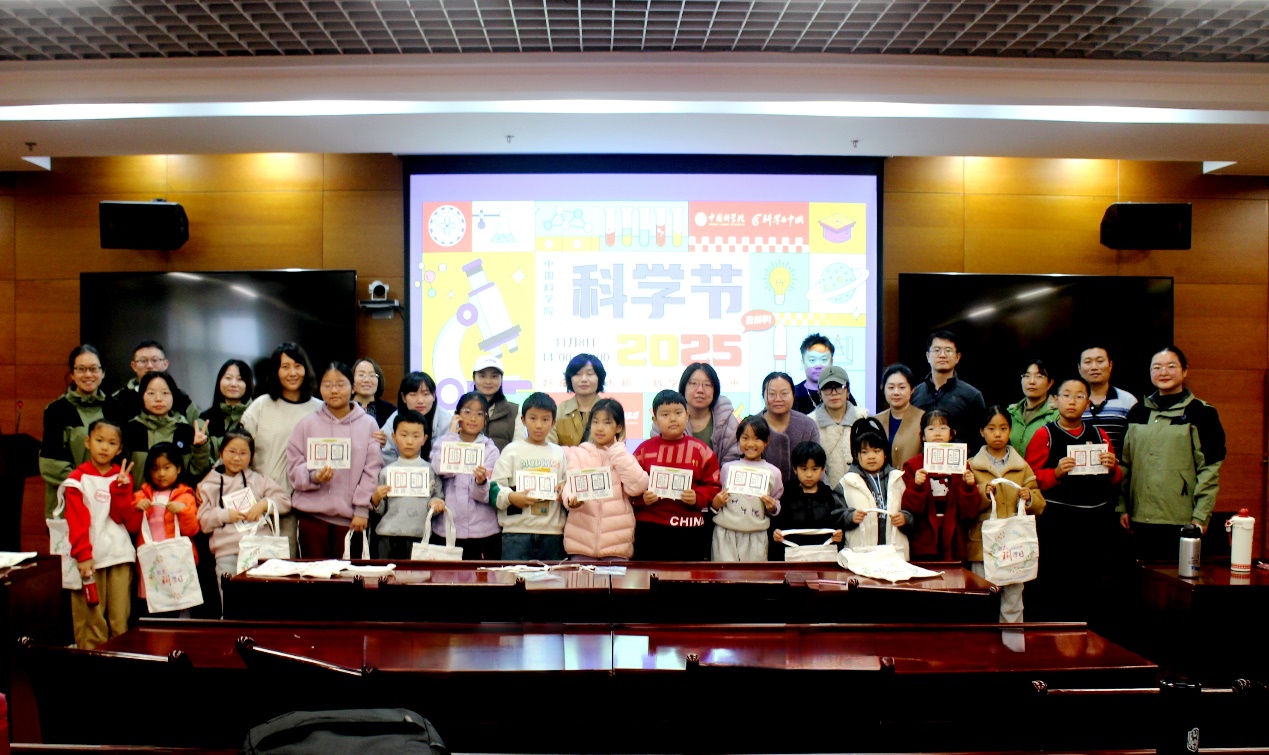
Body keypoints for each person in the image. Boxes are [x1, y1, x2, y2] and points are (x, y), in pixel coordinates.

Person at [1025, 377, 1124, 620]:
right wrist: (1056, 473)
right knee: (1057, 580)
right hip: (1058, 521)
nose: (1072, 401)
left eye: (1080, 396)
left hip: (1095, 520)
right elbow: (1030, 478)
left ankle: (1090, 630)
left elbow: (1116, 478)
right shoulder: (1045, 434)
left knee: (1091, 581)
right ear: (1055, 400)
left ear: (1088, 403)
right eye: (1067, 395)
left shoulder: (1099, 434)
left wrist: (1113, 468)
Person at [1119, 346, 1225, 562]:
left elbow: (1210, 469)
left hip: (1181, 519)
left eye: (1171, 366)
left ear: (1184, 371)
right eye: (1157, 367)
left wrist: (1201, 516)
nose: (1163, 372)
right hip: (1140, 518)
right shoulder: (1138, 413)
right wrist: (1122, 507)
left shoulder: (1201, 413)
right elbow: (1125, 465)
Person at [285, 362, 383, 559]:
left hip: (352, 520)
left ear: (353, 387)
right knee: (313, 575)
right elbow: (293, 467)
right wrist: (314, 476)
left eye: (340, 384)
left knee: (349, 576)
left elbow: (372, 470)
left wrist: (362, 509)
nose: (334, 390)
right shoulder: (307, 424)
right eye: (327, 385)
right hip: (312, 519)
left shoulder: (368, 424)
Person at [56, 419, 136, 650]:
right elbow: (76, 521)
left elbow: (125, 520)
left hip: (119, 554)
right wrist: (83, 555)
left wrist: (122, 489)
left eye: (111, 443)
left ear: (119, 449)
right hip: (89, 557)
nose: (104, 447)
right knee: (91, 617)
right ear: (87, 442)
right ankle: (91, 663)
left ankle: (120, 658)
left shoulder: (122, 476)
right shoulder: (77, 479)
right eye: (99, 440)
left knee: (120, 617)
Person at [239, 343, 323, 556]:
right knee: (259, 567)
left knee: (294, 567)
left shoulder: (320, 409)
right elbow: (238, 447)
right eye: (285, 367)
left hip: (305, 506)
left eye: (297, 366)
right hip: (261, 503)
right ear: (276, 371)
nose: (292, 373)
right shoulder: (261, 405)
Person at [968, 406, 1045, 623]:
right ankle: (983, 643)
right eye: (991, 428)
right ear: (981, 431)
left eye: (1003, 428)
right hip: (982, 544)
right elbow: (964, 506)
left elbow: (1040, 504)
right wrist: (982, 493)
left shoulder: (1021, 466)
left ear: (1010, 430)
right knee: (981, 596)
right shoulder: (971, 466)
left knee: (1013, 599)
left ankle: (1012, 642)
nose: (998, 434)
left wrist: (1029, 498)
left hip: (1014, 545)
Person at [632, 390, 722, 561]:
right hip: (650, 528)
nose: (673, 419)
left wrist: (697, 497)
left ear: (687, 416)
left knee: (688, 577)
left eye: (678, 413)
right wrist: (643, 499)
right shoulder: (643, 451)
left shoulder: (701, 450)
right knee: (649, 575)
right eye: (665, 414)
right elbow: (630, 488)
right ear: (655, 420)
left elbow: (714, 485)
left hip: (689, 530)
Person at [40, 344, 126, 517]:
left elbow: (123, 456)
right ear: (72, 374)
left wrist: (104, 486)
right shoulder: (57, 410)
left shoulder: (115, 408)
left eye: (93, 369)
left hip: (108, 503)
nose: (88, 375)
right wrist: (89, 484)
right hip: (69, 503)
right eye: (81, 369)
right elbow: (50, 464)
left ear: (103, 372)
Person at [198, 428, 290, 588]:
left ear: (251, 456)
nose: (236, 458)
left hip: (260, 549)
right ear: (221, 453)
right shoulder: (209, 485)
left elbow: (285, 502)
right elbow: (203, 522)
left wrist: (263, 505)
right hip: (226, 552)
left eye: (243, 453)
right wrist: (225, 515)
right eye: (231, 452)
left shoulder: (258, 480)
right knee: (230, 595)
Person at [118, 442, 199, 615]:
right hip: (150, 561)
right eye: (155, 469)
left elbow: (192, 530)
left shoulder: (186, 496)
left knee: (178, 605)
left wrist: (183, 511)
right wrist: (136, 509)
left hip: (177, 562)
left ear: (178, 468)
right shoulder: (140, 496)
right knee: (150, 604)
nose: (161, 474)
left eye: (167, 467)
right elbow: (132, 528)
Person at [562, 398, 647, 561]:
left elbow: (638, 486)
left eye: (607, 422)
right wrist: (571, 500)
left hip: (617, 546)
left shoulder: (623, 457)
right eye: (595, 422)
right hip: (581, 544)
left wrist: (618, 454)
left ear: (619, 427)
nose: (600, 428)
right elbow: (570, 486)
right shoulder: (579, 454)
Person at [491, 393, 569, 561]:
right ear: (523, 420)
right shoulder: (512, 451)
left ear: (553, 423)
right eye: (533, 418)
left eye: (545, 419)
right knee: (513, 577)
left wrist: (564, 489)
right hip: (516, 533)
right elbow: (494, 488)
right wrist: (511, 497)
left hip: (552, 534)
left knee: (552, 577)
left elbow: (567, 485)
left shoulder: (559, 453)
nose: (539, 425)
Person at [430, 392, 502, 560]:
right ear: (457, 415)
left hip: (482, 530)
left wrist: (481, 482)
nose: (473, 418)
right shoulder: (443, 442)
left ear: (486, 419)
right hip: (447, 527)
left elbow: (485, 496)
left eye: (479, 413)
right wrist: (452, 437)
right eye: (467, 412)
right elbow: (440, 468)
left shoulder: (490, 450)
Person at [901, 410, 979, 562]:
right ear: (922, 436)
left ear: (952, 434)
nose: (937, 433)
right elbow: (909, 510)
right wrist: (916, 486)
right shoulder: (912, 466)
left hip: (954, 541)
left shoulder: (962, 465)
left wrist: (969, 487)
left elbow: (968, 513)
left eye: (943, 428)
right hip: (923, 541)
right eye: (931, 429)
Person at [370, 410, 445, 560]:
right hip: (387, 536)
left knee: (417, 575)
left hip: (421, 537)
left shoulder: (430, 470)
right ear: (394, 437)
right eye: (403, 435)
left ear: (424, 439)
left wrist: (436, 503)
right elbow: (380, 510)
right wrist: (376, 499)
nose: (409, 441)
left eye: (416, 436)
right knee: (389, 573)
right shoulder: (386, 471)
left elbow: (438, 498)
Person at [709, 415, 783, 562]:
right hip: (725, 534)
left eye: (757, 438)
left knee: (753, 575)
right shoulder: (727, 468)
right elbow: (717, 500)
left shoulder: (773, 472)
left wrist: (772, 507)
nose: (750, 444)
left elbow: (776, 502)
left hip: (756, 536)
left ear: (767, 440)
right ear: (738, 440)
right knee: (723, 575)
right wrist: (715, 504)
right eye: (745, 438)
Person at [121, 371, 212, 489]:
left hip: (179, 499)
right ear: (142, 396)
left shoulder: (185, 431)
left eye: (165, 393)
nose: (158, 399)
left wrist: (200, 448)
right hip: (140, 499)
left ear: (173, 395)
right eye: (151, 393)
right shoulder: (130, 430)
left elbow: (197, 475)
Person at [838, 417, 912, 559]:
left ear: (885, 454)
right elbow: (836, 515)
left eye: (877, 451)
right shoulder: (846, 483)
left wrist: (905, 518)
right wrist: (850, 517)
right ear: (856, 455)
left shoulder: (899, 479)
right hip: (860, 553)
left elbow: (912, 511)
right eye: (865, 452)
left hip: (895, 553)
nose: (871, 456)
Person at [911, 330, 986, 454]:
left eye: (948, 350)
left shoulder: (972, 396)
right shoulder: (914, 394)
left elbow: (980, 439)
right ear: (928, 356)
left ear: (958, 357)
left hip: (960, 464)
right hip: (920, 463)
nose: (942, 355)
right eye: (937, 350)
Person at [771, 441, 844, 562]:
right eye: (804, 469)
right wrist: (776, 534)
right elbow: (776, 524)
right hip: (792, 558)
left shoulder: (828, 495)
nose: (809, 474)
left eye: (815, 469)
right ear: (795, 469)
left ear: (822, 469)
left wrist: (838, 536)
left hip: (823, 558)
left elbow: (838, 526)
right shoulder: (786, 494)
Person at [112, 340, 200, 426]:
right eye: (143, 361)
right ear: (134, 366)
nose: (149, 366)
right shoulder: (119, 399)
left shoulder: (180, 398)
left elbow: (199, 426)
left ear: (165, 364)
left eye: (155, 360)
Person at [811, 365, 869, 490]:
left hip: (862, 490)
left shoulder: (864, 418)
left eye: (839, 387)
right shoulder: (811, 423)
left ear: (848, 391)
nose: (834, 393)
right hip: (824, 493)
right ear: (820, 393)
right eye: (827, 388)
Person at [759, 372, 820, 488]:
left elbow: (817, 464)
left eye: (784, 393)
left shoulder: (808, 425)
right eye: (771, 394)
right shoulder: (751, 425)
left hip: (801, 494)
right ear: (763, 396)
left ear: (793, 395)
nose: (778, 399)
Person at [380, 371, 453, 466]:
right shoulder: (395, 419)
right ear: (403, 397)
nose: (420, 401)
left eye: (425, 394)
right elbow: (387, 454)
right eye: (413, 395)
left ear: (434, 396)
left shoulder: (446, 420)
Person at [1078, 346, 1138, 459]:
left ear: (1110, 365)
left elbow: (1135, 445)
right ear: (1079, 368)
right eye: (1088, 362)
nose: (1094, 367)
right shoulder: (1070, 402)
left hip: (1117, 469)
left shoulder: (1128, 401)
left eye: (1100, 361)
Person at [676, 362, 741, 465]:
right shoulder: (667, 417)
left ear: (715, 390)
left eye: (707, 385)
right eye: (694, 383)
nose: (700, 390)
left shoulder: (728, 421)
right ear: (683, 387)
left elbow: (732, 462)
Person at [547, 353, 606, 447]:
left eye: (589, 374)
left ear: (599, 377)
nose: (583, 379)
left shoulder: (610, 411)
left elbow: (617, 448)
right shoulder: (559, 411)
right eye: (577, 374)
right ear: (570, 379)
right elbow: (549, 447)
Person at [199, 358, 253, 458]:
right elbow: (201, 465)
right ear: (219, 381)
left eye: (240, 379)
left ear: (248, 384)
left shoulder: (256, 416)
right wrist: (200, 447)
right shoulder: (205, 419)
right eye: (228, 378)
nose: (233, 384)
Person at [874, 363, 924, 468]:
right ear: (882, 388)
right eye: (891, 387)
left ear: (912, 389)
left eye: (902, 387)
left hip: (913, 477)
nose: (896, 392)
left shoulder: (923, 419)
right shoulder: (875, 421)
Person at [472, 354, 525, 452]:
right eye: (482, 376)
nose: (488, 381)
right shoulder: (463, 409)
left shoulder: (515, 411)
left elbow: (519, 449)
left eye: (494, 376)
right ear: (474, 379)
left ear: (501, 379)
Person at [1008, 359, 1058, 455]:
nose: (1031, 381)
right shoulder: (1011, 412)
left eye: (1039, 376)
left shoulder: (1057, 414)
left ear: (1050, 383)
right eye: (1027, 376)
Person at [793, 333, 835, 414]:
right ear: (803, 363)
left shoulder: (840, 393)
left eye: (824, 359)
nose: (818, 365)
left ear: (831, 362)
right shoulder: (793, 394)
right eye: (812, 360)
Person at [352, 357, 397, 432]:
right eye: (361, 375)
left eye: (372, 375)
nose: (366, 380)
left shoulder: (390, 411)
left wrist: (386, 437)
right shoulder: (342, 407)